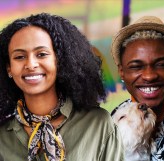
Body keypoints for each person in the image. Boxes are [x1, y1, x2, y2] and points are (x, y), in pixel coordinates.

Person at [0, 13, 124, 161]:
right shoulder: (2, 137)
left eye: (41, 54)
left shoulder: (98, 125)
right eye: (19, 57)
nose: (31, 64)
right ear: (9, 68)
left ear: (59, 61)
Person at [111, 16, 164, 160]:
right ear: (122, 72)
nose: (149, 76)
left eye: (161, 64)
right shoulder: (114, 117)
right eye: (136, 66)